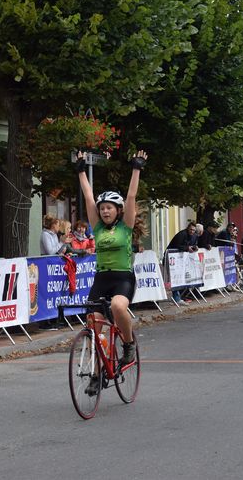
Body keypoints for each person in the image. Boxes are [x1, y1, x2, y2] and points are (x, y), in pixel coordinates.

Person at [76, 149, 146, 396]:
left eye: (109, 208)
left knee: (117, 307)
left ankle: (127, 344)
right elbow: (87, 195)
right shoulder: (97, 227)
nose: (105, 211)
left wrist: (136, 168)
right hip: (101, 279)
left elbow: (131, 195)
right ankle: (96, 374)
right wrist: (81, 169)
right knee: (95, 329)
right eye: (102, 208)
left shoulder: (125, 227)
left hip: (123, 278)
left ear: (117, 210)